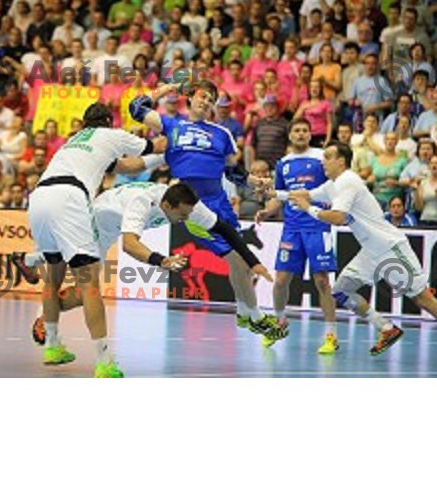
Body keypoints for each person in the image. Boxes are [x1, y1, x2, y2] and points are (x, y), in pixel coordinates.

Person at [279, 141, 437, 367]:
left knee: (422, 299)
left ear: (341, 161)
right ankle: (386, 328)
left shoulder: (348, 181)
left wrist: (308, 208)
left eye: (327, 157)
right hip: (370, 251)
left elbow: (336, 218)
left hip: (389, 248)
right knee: (340, 291)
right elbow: (302, 193)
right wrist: (270, 189)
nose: (322, 161)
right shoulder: (333, 184)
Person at [129, 79, 286, 343]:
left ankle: (243, 313)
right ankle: (255, 317)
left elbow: (232, 171)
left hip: (220, 200)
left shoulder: (221, 134)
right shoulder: (172, 124)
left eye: (211, 100)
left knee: (241, 262)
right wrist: (168, 88)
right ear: (190, 98)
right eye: (202, 96)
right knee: (237, 259)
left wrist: (254, 182)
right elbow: (136, 107)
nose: (206, 101)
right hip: (192, 205)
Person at [21, 181, 271, 342]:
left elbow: (224, 228)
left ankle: (31, 261)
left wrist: (253, 261)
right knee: (88, 288)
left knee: (83, 288)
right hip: (96, 222)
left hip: (114, 222)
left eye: (188, 214)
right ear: (165, 205)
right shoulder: (143, 203)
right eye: (181, 215)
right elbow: (129, 245)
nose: (185, 219)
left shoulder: (187, 205)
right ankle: (44, 306)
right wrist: (162, 261)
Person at [26, 102, 167, 378]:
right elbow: (152, 147)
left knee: (52, 278)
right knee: (89, 283)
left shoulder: (73, 142)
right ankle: (104, 361)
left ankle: (53, 347)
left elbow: (126, 167)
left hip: (39, 197)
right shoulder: (110, 135)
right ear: (106, 121)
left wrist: (160, 159)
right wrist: (169, 149)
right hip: (69, 198)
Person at [253, 118, 339, 353]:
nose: (301, 134)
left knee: (322, 281)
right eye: (297, 131)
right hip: (291, 228)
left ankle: (331, 335)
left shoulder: (322, 157)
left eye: (305, 131)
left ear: (310, 135)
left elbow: (335, 185)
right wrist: (267, 210)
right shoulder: (283, 164)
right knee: (280, 281)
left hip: (318, 226)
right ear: (290, 136)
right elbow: (278, 195)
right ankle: (280, 323)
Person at [413, 155, 437, 227]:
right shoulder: (423, 182)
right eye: (431, 163)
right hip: (425, 219)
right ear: (428, 166)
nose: (434, 165)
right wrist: (416, 190)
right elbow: (419, 207)